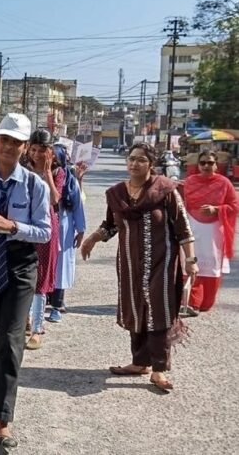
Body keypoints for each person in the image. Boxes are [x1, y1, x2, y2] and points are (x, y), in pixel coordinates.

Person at [81, 143, 197, 392]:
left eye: (141, 160)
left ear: (151, 164)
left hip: (162, 262)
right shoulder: (116, 194)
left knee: (159, 309)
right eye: (132, 159)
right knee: (135, 308)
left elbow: (183, 228)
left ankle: (159, 369)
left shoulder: (165, 190)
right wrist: (92, 238)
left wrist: (190, 260)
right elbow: (111, 225)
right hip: (129, 263)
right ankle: (139, 362)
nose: (135, 164)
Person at [0, 113, 51, 450]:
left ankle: (5, 418)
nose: (8, 146)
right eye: (4, 139)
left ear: (25, 148)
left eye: (16, 142)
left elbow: (45, 232)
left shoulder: (35, 185)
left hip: (19, 264)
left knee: (11, 338)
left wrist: (13, 226)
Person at [181, 150, 239, 314]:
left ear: (216, 165)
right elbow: (181, 204)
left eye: (210, 162)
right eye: (203, 163)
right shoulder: (190, 182)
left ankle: (205, 301)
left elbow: (235, 206)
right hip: (192, 228)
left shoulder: (224, 183)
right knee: (191, 262)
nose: (206, 166)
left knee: (211, 265)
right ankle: (192, 302)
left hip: (214, 232)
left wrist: (217, 209)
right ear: (198, 165)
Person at [23, 130, 64, 350]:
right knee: (22, 273)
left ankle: (38, 328)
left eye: (42, 150)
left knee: (41, 278)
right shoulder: (22, 170)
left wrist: (47, 173)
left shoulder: (58, 172)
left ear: (50, 151)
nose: (37, 154)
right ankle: (25, 319)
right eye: (34, 149)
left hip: (46, 228)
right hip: (23, 226)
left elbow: (55, 199)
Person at [47, 144, 87, 323]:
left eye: (55, 158)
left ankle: (57, 306)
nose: (51, 161)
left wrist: (81, 230)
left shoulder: (69, 182)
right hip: (43, 228)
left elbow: (78, 206)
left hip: (64, 229)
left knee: (60, 267)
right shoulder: (37, 177)